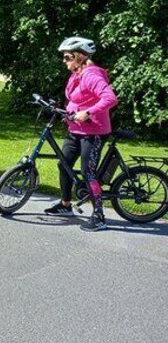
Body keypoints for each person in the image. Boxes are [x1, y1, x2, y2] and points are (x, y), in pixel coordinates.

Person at [44, 37, 118, 232]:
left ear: (79, 56)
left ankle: (99, 216)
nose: (64, 60)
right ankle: (66, 205)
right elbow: (79, 99)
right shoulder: (77, 74)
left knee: (88, 173)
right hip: (75, 130)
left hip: (93, 133)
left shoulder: (92, 75)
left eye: (67, 56)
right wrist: (67, 112)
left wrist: (88, 112)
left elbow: (110, 98)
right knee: (64, 165)